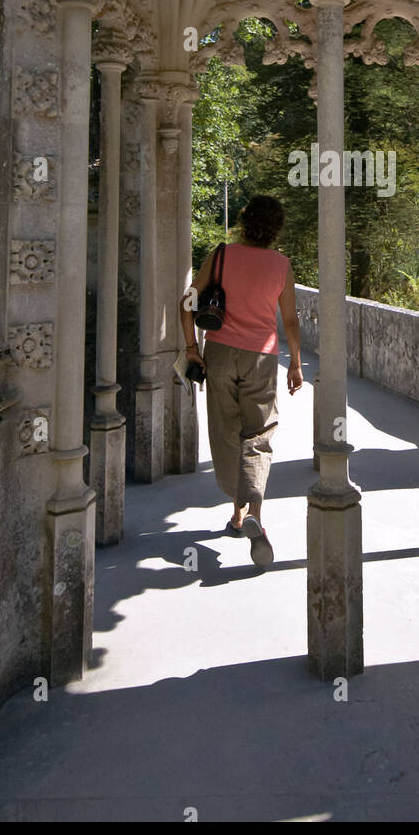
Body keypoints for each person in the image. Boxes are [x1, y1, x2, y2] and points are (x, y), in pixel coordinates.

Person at [179, 194, 303, 569]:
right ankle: (256, 517)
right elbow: (291, 321)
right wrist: (295, 364)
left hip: (218, 352)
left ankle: (237, 514)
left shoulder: (222, 256)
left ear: (245, 222)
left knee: (227, 432)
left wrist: (190, 348)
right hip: (262, 357)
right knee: (258, 434)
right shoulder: (282, 265)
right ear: (276, 227)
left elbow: (188, 300)